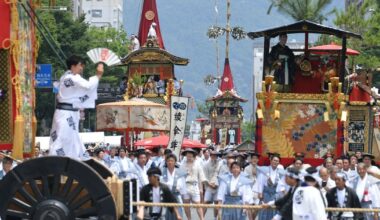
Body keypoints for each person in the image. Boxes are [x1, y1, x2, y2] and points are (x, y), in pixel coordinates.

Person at [49, 55, 103, 160]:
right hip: (65, 113)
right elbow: (88, 86)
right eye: (80, 65)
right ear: (73, 66)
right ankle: (56, 162)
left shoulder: (66, 76)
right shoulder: (71, 78)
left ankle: (70, 161)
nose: (81, 68)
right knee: (62, 137)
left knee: (71, 138)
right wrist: (98, 75)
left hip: (68, 112)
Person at [180, 148, 207, 220]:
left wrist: (201, 188)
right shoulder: (182, 164)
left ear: (194, 156)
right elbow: (179, 175)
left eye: (190, 156)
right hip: (185, 186)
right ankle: (189, 218)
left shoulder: (197, 164)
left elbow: (201, 176)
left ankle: (202, 218)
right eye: (187, 156)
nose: (189, 157)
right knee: (186, 205)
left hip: (194, 186)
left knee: (198, 205)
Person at [257, 153, 284, 220]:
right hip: (265, 194)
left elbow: (281, 186)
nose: (275, 162)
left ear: (279, 163)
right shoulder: (264, 170)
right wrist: (260, 193)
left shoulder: (280, 172)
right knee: (264, 212)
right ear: (271, 160)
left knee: (273, 212)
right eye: (274, 160)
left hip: (274, 195)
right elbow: (260, 182)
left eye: (277, 161)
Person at [160, 154, 187, 220]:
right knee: (166, 216)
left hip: (176, 196)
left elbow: (183, 188)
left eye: (172, 161)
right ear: (166, 162)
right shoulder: (162, 172)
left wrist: (185, 200)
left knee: (178, 216)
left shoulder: (180, 173)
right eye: (168, 161)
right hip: (165, 197)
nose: (170, 162)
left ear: (175, 162)